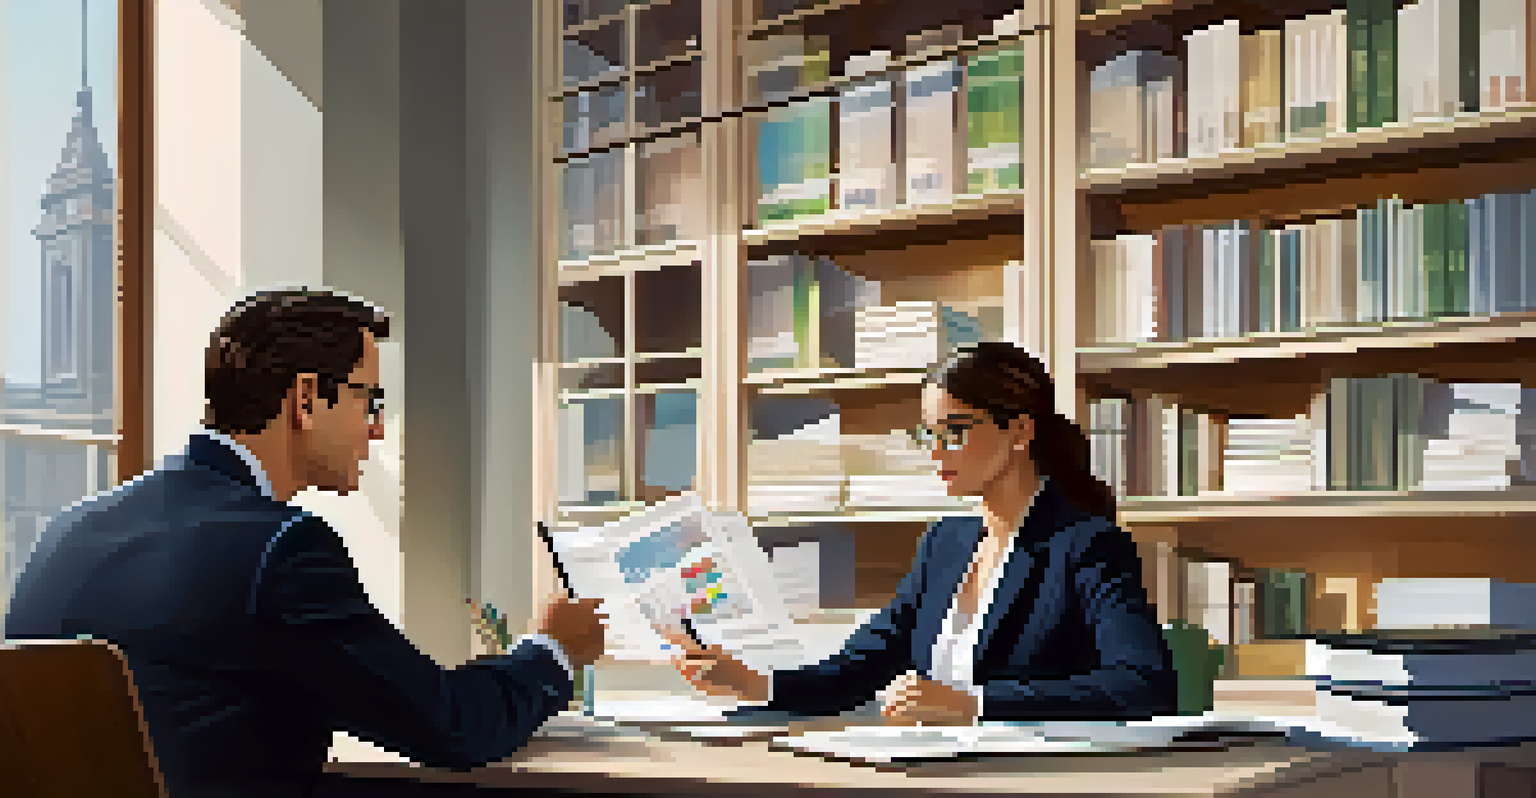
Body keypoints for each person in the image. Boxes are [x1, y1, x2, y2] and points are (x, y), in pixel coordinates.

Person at [4, 289, 605, 797]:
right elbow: (449, 725)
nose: (376, 428)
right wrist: (551, 649)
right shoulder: (282, 550)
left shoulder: (66, 530)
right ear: (306, 398)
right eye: (369, 399)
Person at [666, 341, 1177, 724]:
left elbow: (1144, 685)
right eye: (928, 434)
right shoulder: (946, 542)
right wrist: (752, 682)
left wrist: (971, 704)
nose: (936, 453)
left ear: (1020, 431)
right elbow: (864, 665)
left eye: (955, 431)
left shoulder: (1085, 544)